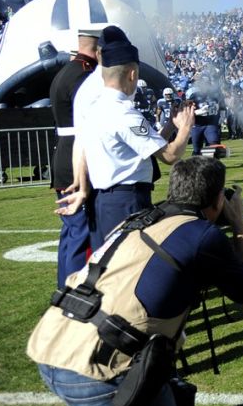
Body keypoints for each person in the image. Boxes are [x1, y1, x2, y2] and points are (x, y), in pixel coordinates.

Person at [28, 156, 243, 406]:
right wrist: (239, 227)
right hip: (97, 371)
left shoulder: (139, 218)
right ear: (217, 198)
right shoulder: (202, 235)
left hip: (56, 341)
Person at [62, 26, 195, 251]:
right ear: (132, 74)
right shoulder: (124, 113)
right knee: (131, 268)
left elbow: (147, 146)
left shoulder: (95, 108)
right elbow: (170, 155)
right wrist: (186, 127)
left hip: (103, 201)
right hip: (127, 200)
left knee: (106, 269)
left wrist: (171, 125)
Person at [48, 22, 104, 288]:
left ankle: (63, 288)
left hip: (64, 153)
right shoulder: (85, 75)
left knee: (71, 232)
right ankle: (74, 292)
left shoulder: (66, 72)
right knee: (81, 233)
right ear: (99, 47)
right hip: (77, 157)